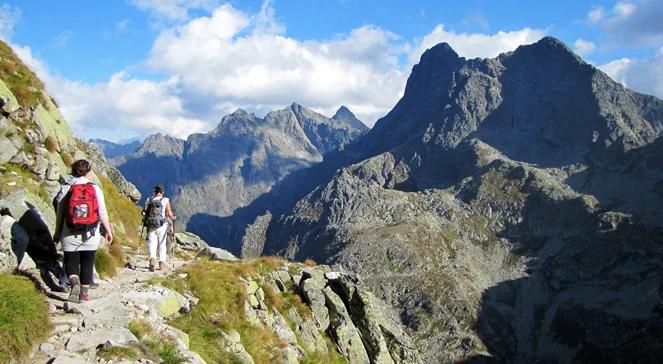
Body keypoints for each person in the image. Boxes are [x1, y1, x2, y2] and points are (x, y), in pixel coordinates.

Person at [53, 159, 113, 303]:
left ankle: (74, 284)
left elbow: (60, 213)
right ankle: (84, 294)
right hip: (91, 233)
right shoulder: (95, 188)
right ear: (87, 171)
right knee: (88, 262)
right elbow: (102, 213)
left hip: (69, 231)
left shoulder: (66, 188)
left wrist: (57, 232)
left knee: (70, 261)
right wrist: (108, 231)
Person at [142, 185, 176, 271]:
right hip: (162, 225)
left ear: (154, 192)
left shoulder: (149, 200)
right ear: (162, 192)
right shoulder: (165, 200)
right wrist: (173, 218)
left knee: (152, 243)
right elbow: (169, 214)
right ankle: (162, 264)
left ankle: (152, 260)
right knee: (162, 244)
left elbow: (143, 212)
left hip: (150, 225)